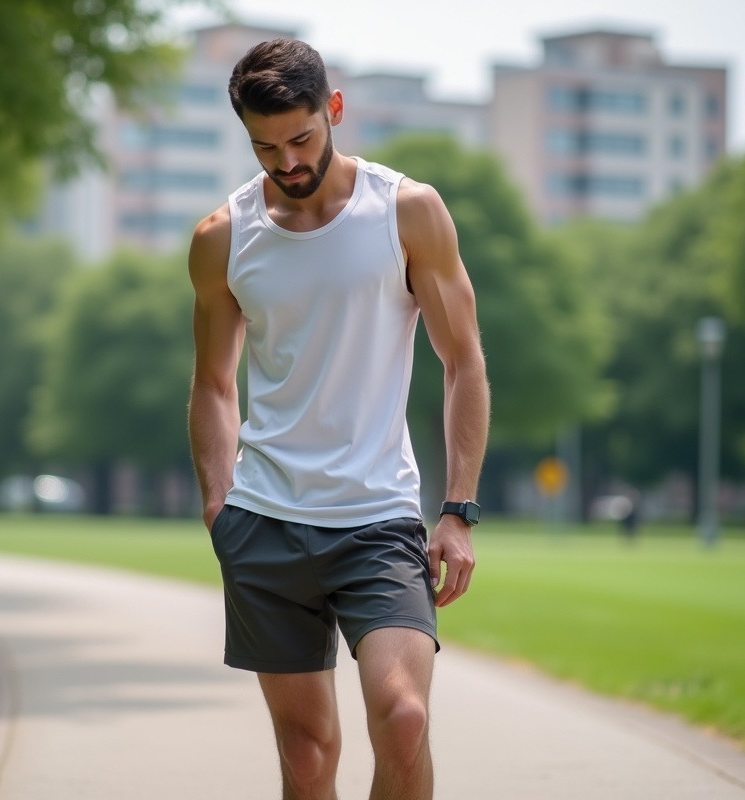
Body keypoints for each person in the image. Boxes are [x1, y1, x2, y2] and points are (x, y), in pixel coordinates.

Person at [187, 37, 489, 800]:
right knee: (308, 757)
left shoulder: (409, 212)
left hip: (378, 518)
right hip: (264, 521)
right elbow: (214, 385)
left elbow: (465, 364)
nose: (287, 163)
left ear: (336, 111)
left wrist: (456, 510)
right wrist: (218, 502)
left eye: (302, 139)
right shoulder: (223, 237)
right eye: (265, 147)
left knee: (405, 718)